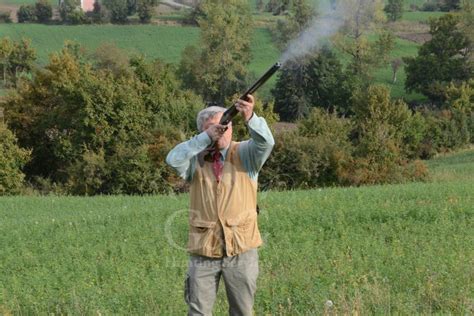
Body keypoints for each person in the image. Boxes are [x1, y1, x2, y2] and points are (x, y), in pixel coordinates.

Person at [166, 95, 274, 316]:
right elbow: (173, 159)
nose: (221, 131)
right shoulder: (195, 160)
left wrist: (250, 116)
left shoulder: (246, 153)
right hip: (204, 251)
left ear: (232, 127)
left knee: (242, 312)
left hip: (241, 249)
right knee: (198, 312)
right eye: (214, 128)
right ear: (204, 131)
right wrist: (204, 138)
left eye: (225, 125)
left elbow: (267, 142)